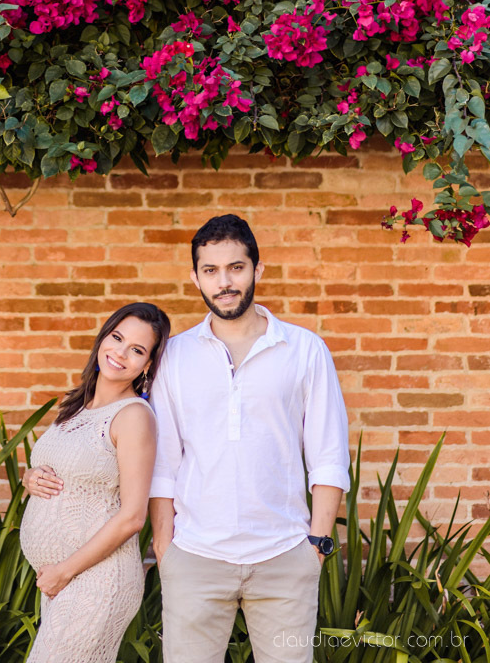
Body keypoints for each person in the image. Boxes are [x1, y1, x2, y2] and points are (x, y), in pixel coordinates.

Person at [149, 214, 350, 663]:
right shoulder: (174, 356)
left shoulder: (304, 349)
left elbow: (329, 455)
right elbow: (163, 463)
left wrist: (317, 545)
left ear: (258, 270)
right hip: (195, 555)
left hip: (284, 555)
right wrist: (165, 548)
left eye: (236, 268)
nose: (224, 282)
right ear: (195, 278)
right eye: (211, 271)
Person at [19, 301, 171, 663]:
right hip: (65, 581)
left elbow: (133, 516)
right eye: (116, 337)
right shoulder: (78, 406)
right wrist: (30, 478)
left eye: (136, 350)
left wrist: (63, 572)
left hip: (96, 581)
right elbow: (71, 471)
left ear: (147, 364)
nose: (120, 353)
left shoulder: (133, 416)